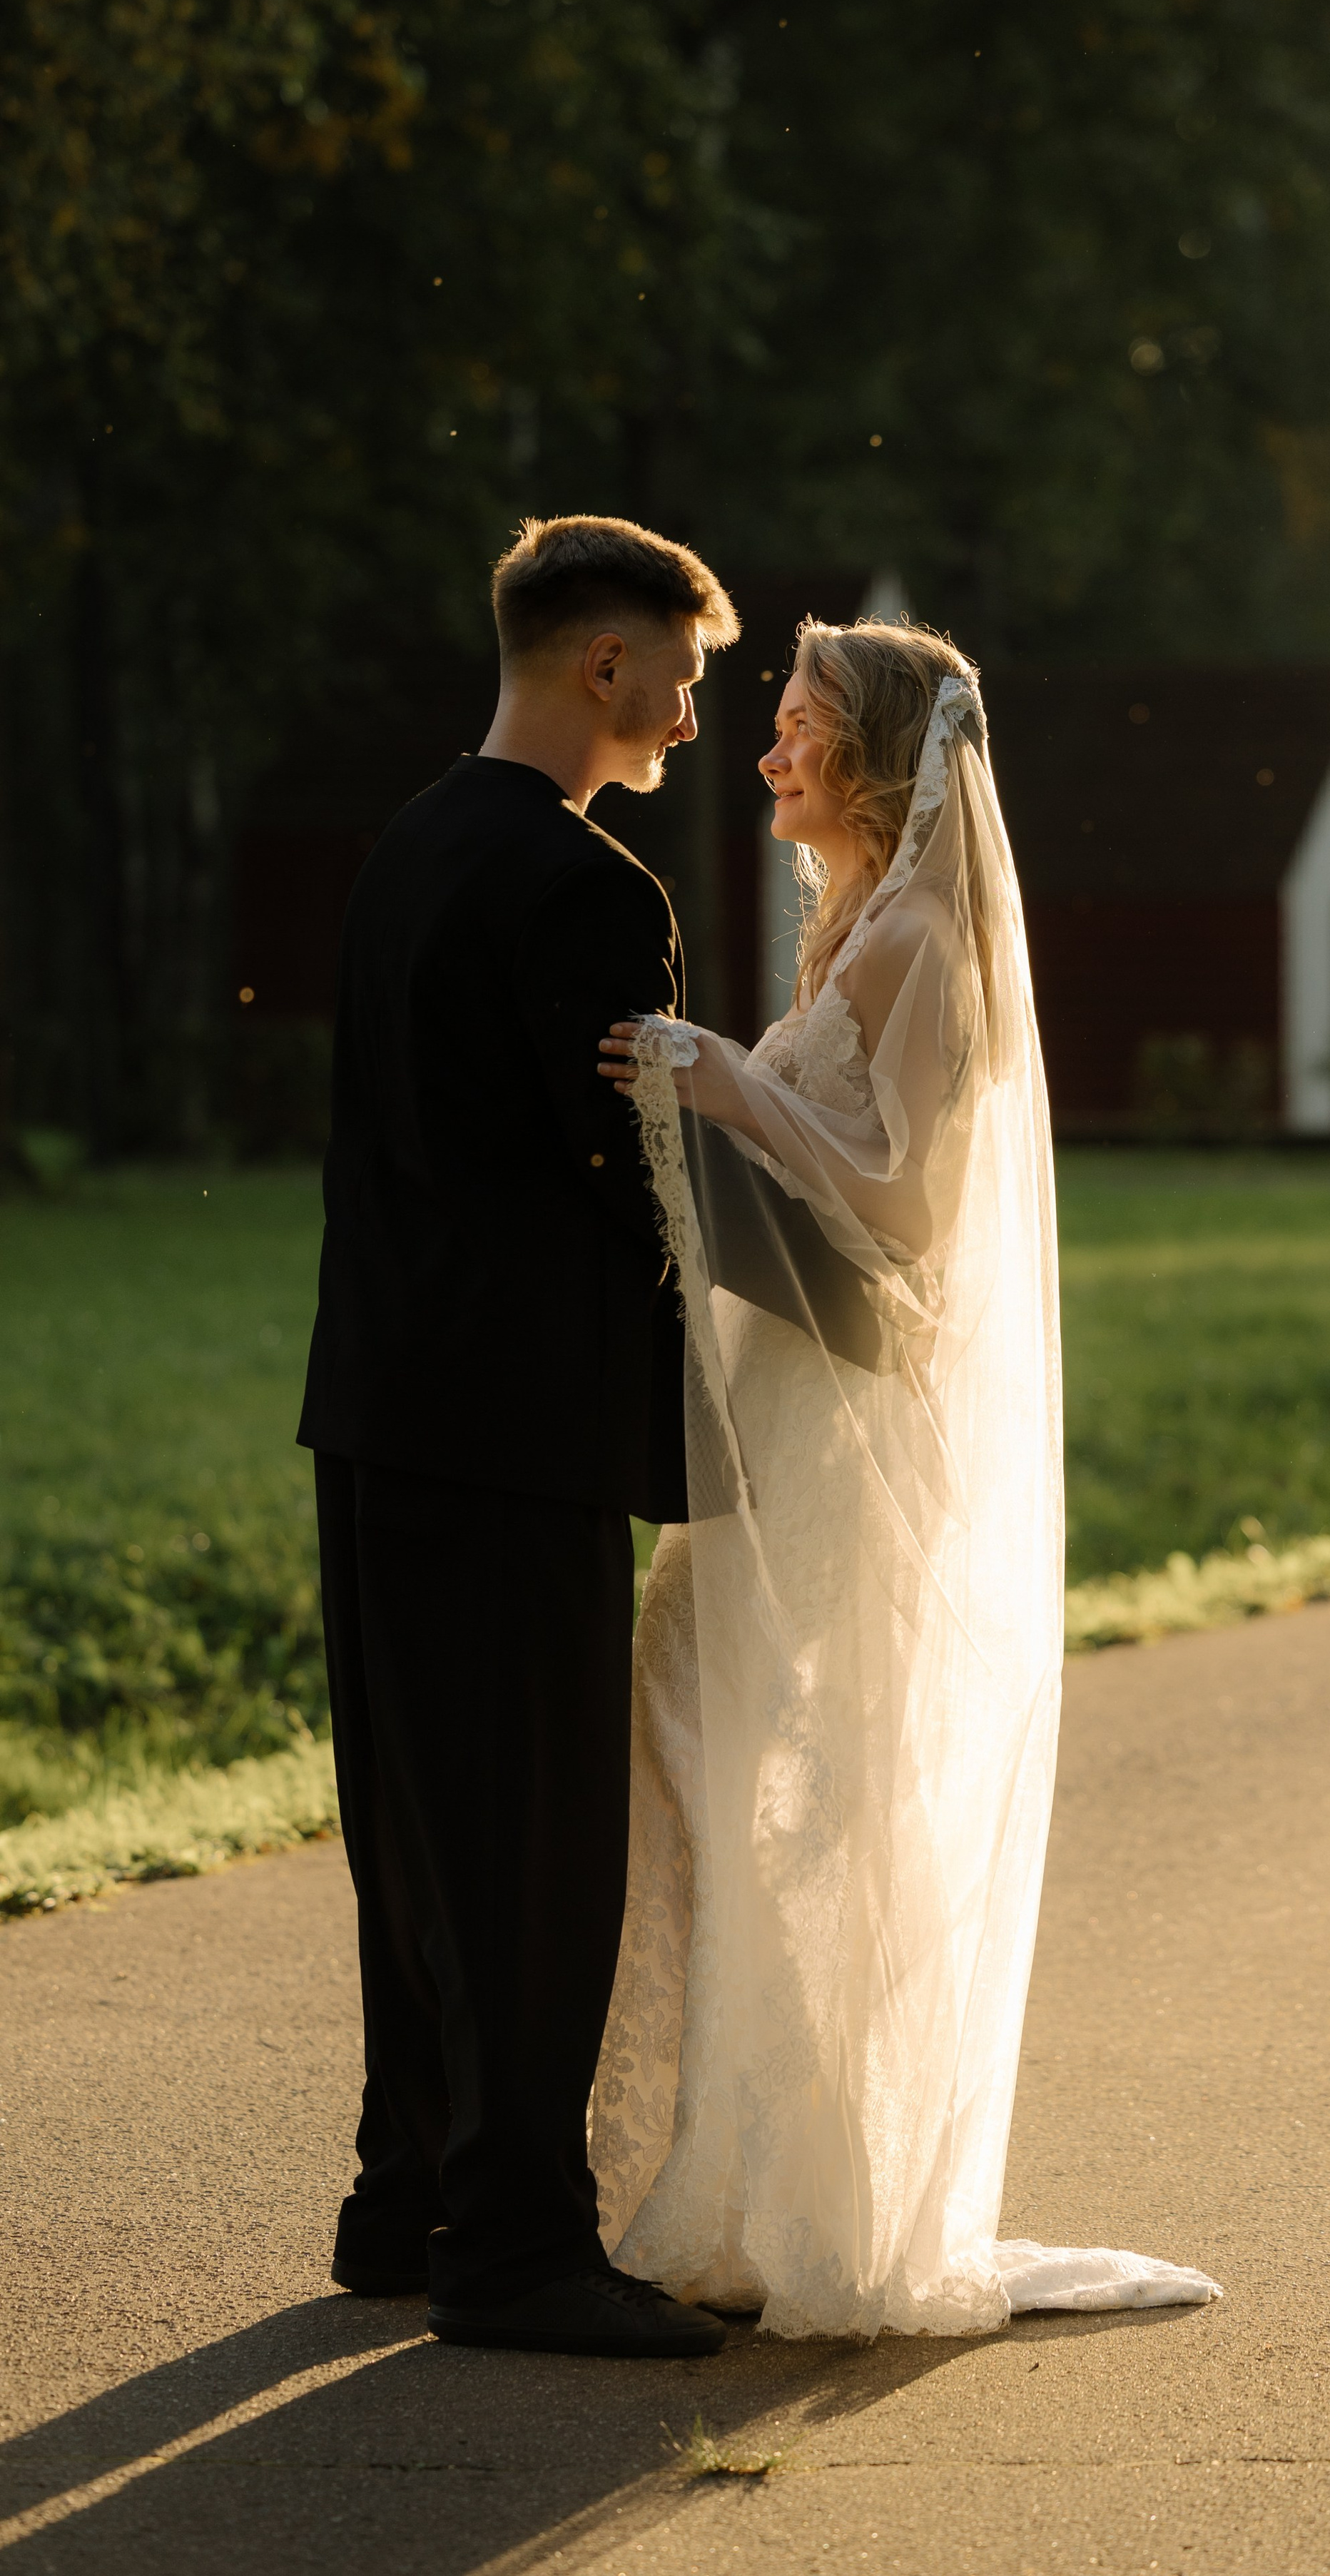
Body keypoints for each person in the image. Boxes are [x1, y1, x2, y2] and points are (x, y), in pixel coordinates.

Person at [592, 620, 1219, 2337]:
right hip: (781, 1393)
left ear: (870, 757)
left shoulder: (925, 941)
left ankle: (816, 2192)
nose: (765, 749)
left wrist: (730, 1084)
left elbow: (905, 1212)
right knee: (711, 1743)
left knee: (777, 1764)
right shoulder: (858, 924)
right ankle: (720, 2167)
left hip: (841, 1423)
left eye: (795, 725)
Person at [298, 513, 737, 2358]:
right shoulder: (583, 887)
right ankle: (516, 2245)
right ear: (603, 662)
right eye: (684, 678)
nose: (694, 720)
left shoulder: (407, 845)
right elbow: (634, 1174)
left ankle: (403, 2195)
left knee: (417, 1828)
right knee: (536, 1844)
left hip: (380, 1403)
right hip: (519, 1429)